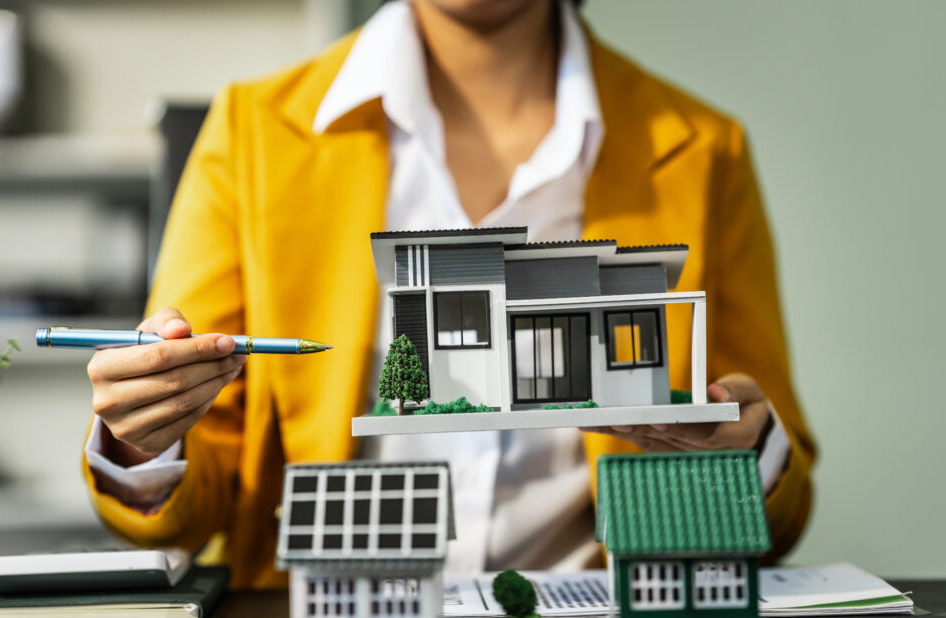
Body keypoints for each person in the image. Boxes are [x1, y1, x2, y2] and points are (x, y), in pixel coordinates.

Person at [82, 0, 816, 588]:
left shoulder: (704, 149)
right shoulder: (252, 136)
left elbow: (778, 501)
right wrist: (145, 440)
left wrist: (747, 457)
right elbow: (196, 488)